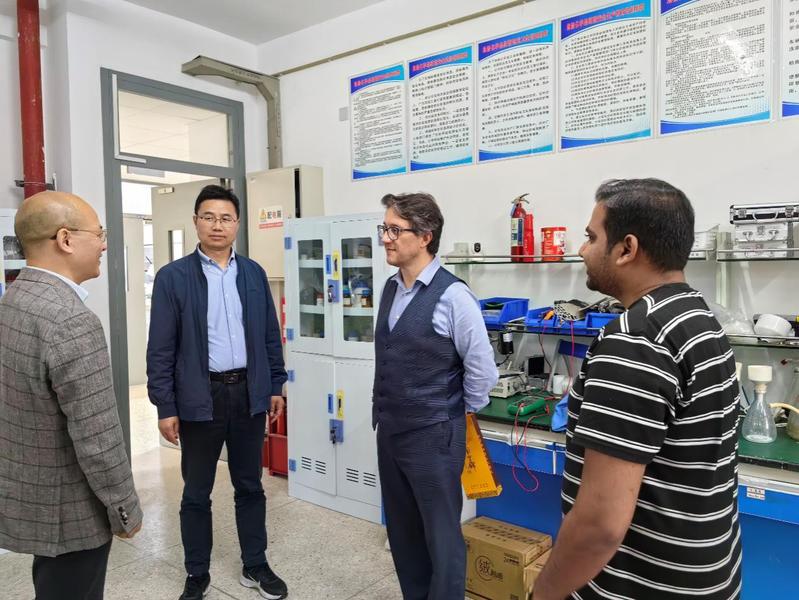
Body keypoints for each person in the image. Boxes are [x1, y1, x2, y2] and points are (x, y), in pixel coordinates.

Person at [534, 179, 741, 600]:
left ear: (627, 248)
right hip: (706, 576)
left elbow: (600, 524)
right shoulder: (697, 315)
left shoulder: (635, 340)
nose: (582, 250)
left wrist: (544, 593)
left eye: (592, 237)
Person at [147, 184, 288, 600]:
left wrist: (275, 384)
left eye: (226, 218)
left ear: (237, 224)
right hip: (199, 396)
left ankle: (255, 564)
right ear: (196, 222)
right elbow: (161, 349)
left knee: (250, 486)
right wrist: (165, 405)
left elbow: (269, 335)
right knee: (196, 492)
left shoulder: (253, 274)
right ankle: (197, 573)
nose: (217, 225)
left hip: (247, 394)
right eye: (208, 217)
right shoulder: (173, 278)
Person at [0, 191, 143, 600]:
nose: (104, 245)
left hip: (35, 498)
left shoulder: (14, 300)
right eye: (99, 234)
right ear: (65, 239)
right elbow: (98, 436)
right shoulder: (70, 320)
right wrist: (125, 509)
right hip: (71, 510)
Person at [372, 192, 498, 599]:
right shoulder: (390, 289)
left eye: (395, 230)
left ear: (425, 236)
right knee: (403, 533)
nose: (386, 238)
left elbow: (483, 372)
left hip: (433, 435)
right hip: (391, 431)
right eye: (384, 228)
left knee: (442, 539)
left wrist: (449, 413)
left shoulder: (454, 296)